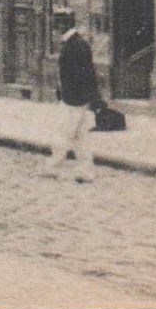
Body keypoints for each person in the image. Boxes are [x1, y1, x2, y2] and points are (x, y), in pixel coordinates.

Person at [47, 9, 99, 182]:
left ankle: (53, 167)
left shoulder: (74, 46)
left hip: (73, 100)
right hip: (77, 98)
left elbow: (85, 74)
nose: (54, 30)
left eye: (56, 25)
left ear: (63, 25)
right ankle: (86, 172)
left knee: (63, 133)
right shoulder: (76, 44)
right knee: (80, 137)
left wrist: (72, 97)